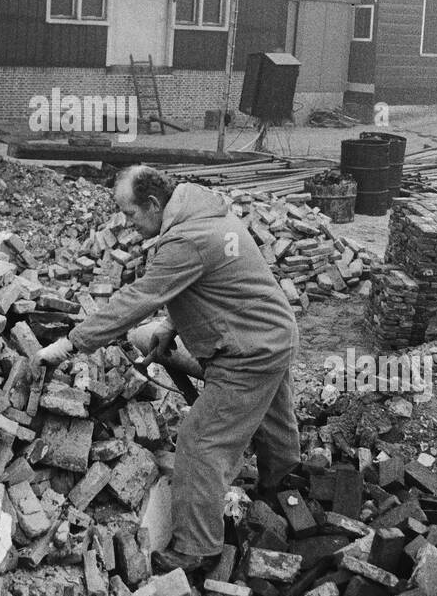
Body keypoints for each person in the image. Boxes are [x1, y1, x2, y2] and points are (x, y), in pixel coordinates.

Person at [36, 164, 301, 573]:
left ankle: (198, 548)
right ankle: (281, 482)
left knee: (201, 441)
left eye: (130, 214)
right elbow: (219, 284)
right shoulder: (206, 212)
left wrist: (71, 343)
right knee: (269, 415)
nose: (126, 224)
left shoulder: (187, 239)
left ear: (155, 203)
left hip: (247, 352)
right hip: (272, 332)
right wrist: (169, 324)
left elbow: (136, 300)